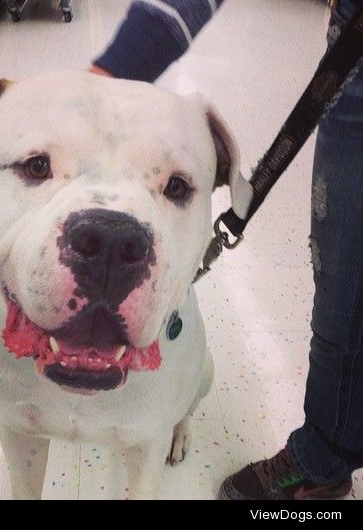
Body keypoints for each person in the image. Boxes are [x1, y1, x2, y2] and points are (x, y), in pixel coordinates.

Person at [89, 0, 363, 500]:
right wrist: (110, 73)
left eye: (175, 189)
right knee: (342, 294)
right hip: (356, 45)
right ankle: (324, 456)